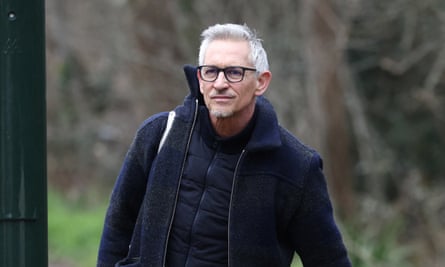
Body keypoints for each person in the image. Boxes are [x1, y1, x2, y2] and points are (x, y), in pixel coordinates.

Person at [97, 23, 351, 267]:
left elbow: (329, 260)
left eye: (234, 72)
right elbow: (119, 223)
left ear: (261, 82)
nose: (220, 83)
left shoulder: (296, 166)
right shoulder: (160, 135)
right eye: (211, 71)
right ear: (199, 78)